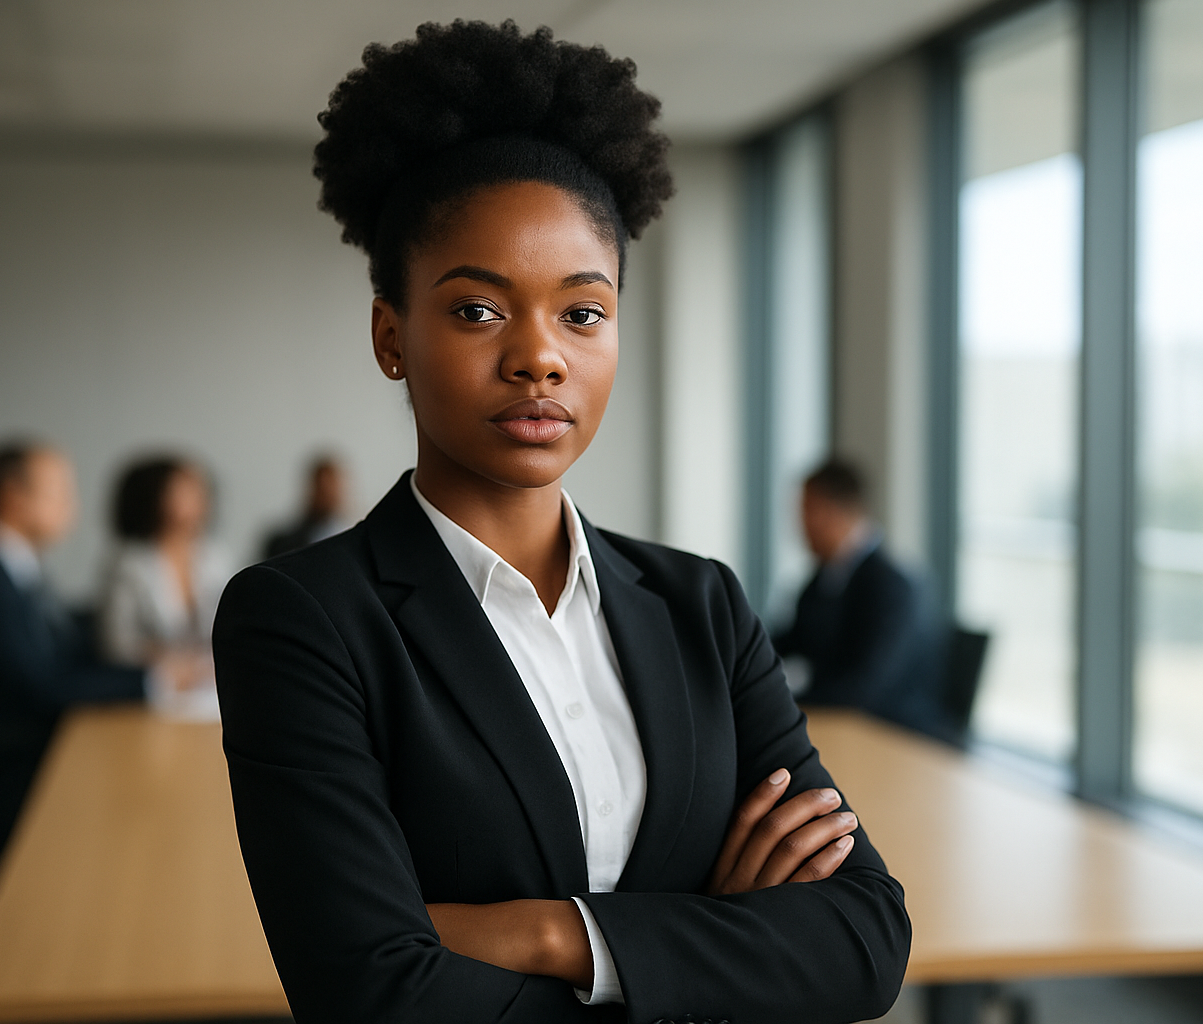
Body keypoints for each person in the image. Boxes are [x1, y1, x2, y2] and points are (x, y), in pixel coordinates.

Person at [213, 21, 909, 1024]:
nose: (540, 358)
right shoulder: (303, 619)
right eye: (477, 311)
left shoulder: (700, 604)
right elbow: (369, 991)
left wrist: (553, 935)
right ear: (390, 336)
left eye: (582, 313)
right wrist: (712, 936)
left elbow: (865, 939)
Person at [0, 442, 195, 852]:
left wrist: (150, 664)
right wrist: (152, 681)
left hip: (23, 745)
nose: (73, 506)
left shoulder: (15, 570)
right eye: (61, 493)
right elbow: (40, 687)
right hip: (0, 766)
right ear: (13, 497)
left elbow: (64, 652)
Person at [774, 459, 947, 739]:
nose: (799, 525)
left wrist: (785, 702)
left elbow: (865, 687)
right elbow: (792, 640)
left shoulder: (890, 587)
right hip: (843, 725)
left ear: (835, 512)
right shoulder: (824, 577)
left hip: (893, 735)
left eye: (807, 510)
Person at [100, 456, 231, 673]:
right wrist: (173, 664)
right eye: (184, 492)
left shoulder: (215, 556)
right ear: (153, 497)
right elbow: (116, 644)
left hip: (209, 680)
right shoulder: (128, 564)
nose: (199, 500)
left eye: (200, 490)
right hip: (150, 683)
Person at [261, 455, 350, 559]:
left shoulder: (353, 543)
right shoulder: (282, 544)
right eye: (321, 490)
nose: (325, 496)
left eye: (331, 489)